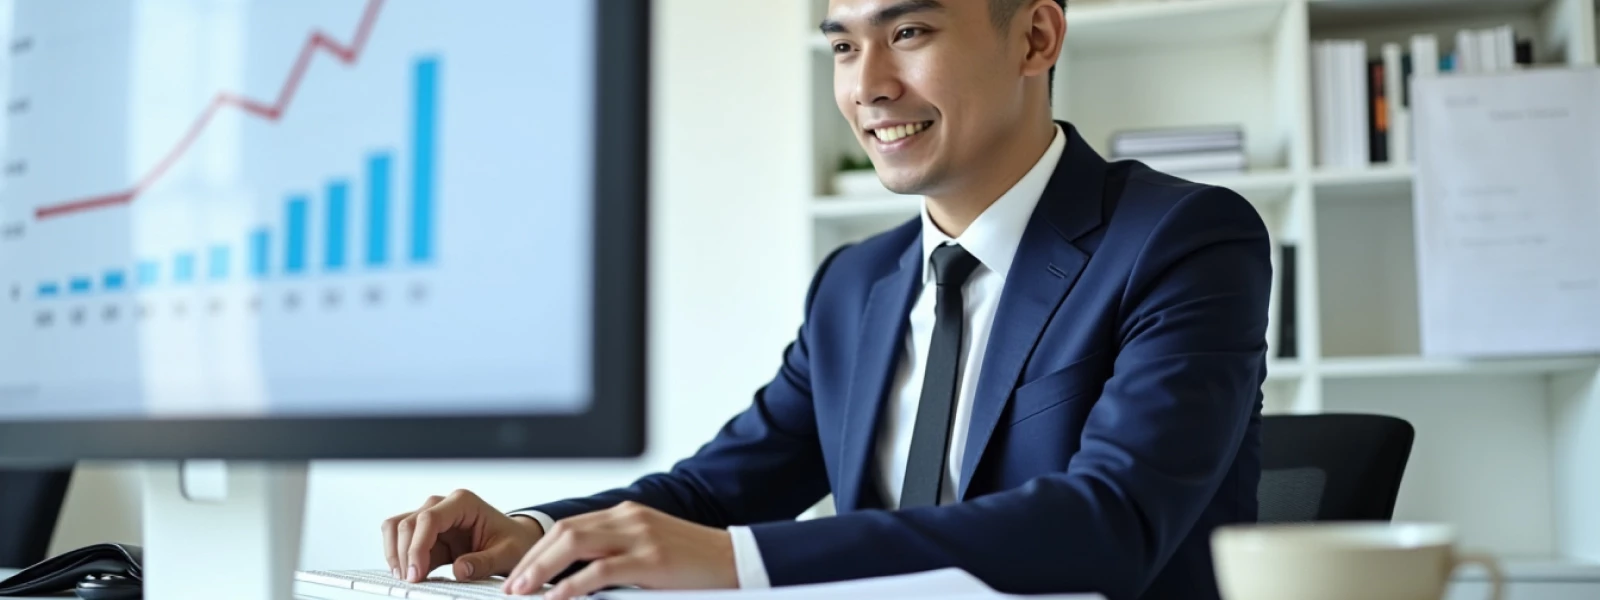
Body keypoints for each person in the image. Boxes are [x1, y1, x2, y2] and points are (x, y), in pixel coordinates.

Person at [381, 0, 1271, 598]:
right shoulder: (856, 284)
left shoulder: (1182, 237)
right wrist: (536, 530)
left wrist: (733, 563)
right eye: (843, 44)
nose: (866, 84)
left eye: (910, 31)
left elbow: (1109, 523)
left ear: (1036, 38)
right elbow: (717, 489)